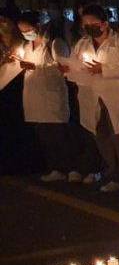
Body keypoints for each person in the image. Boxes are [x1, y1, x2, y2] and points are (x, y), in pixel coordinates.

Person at [63, 4, 119, 192]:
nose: (89, 27)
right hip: (92, 96)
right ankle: (116, 175)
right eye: (85, 24)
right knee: (103, 137)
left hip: (117, 96)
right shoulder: (82, 44)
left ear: (105, 24)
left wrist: (103, 69)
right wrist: (68, 70)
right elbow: (76, 66)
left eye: (93, 23)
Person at [8, 11, 73, 181]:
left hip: (52, 96)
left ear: (38, 26)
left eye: (28, 29)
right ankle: (55, 168)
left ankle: (71, 168)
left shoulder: (54, 44)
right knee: (45, 137)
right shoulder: (25, 47)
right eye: (22, 31)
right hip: (35, 97)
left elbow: (64, 68)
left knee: (59, 135)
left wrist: (35, 67)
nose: (26, 33)